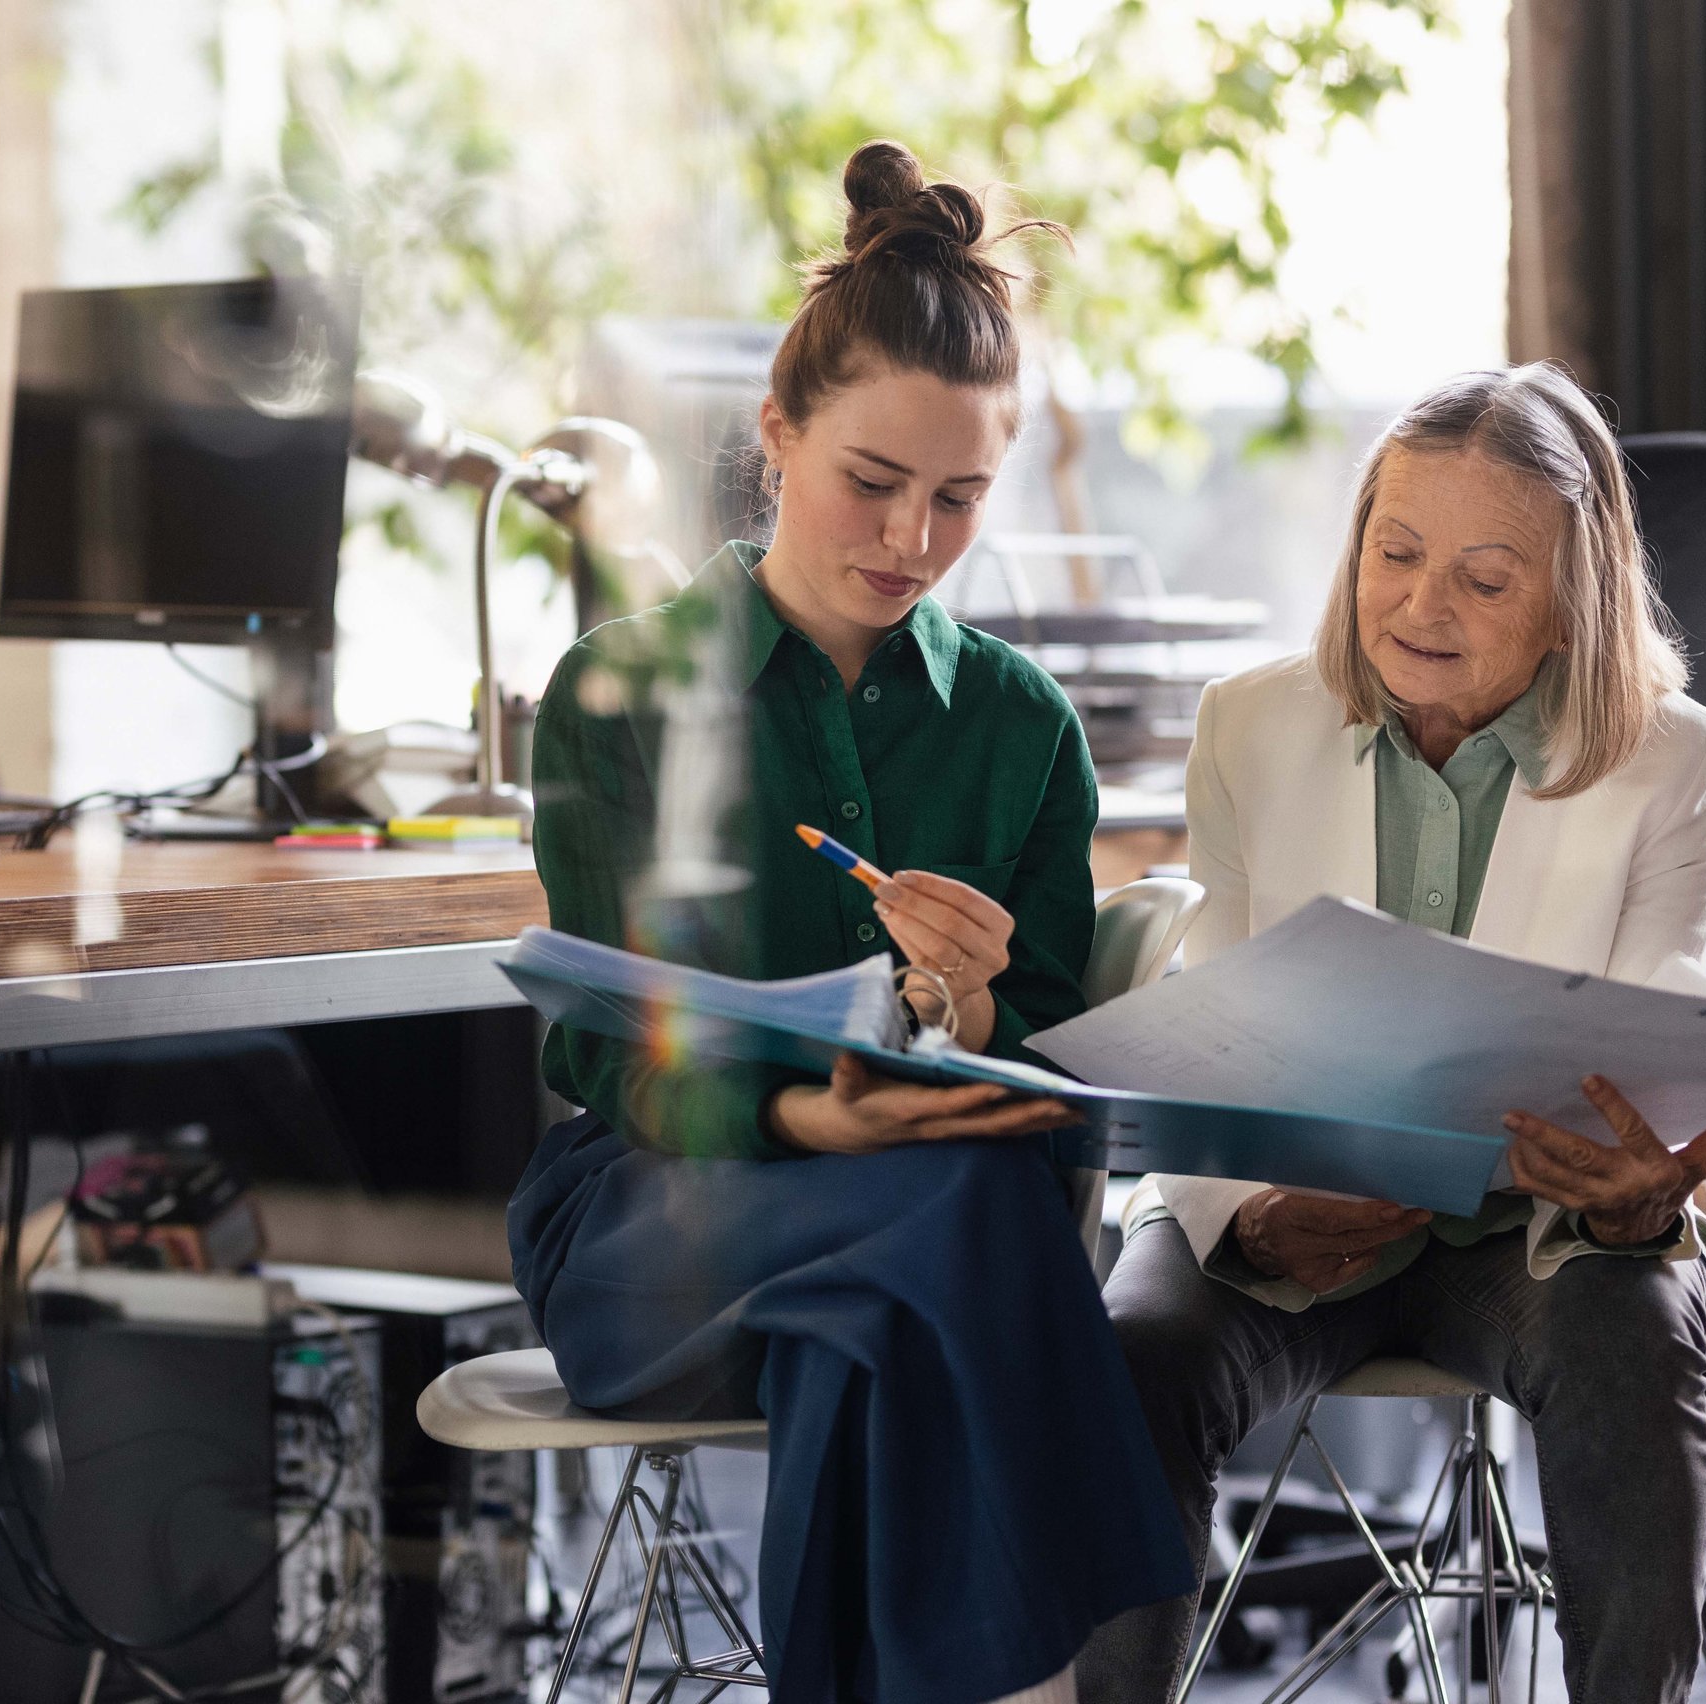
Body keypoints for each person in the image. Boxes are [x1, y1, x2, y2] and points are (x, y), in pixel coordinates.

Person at [509, 140, 1193, 1704]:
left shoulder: (1023, 729)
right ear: (775, 435)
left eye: (960, 500)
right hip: (650, 1224)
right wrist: (803, 1119)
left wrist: (971, 1014)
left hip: (906, 1257)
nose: (909, 540)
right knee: (962, 1231)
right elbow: (607, 1049)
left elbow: (1056, 1068)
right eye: (870, 484)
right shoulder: (618, 696)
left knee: (878, 1322)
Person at [1078, 363, 1706, 1704]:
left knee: (1629, 1338)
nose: (1423, 605)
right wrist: (1246, 1211)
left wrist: (1634, 1183)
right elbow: (1220, 1013)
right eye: (1397, 552)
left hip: (1532, 1236)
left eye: (1487, 580)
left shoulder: (1676, 762)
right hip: (1299, 1207)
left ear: (1568, 603)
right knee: (1135, 1348)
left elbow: (1652, 1011)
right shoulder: (1248, 725)